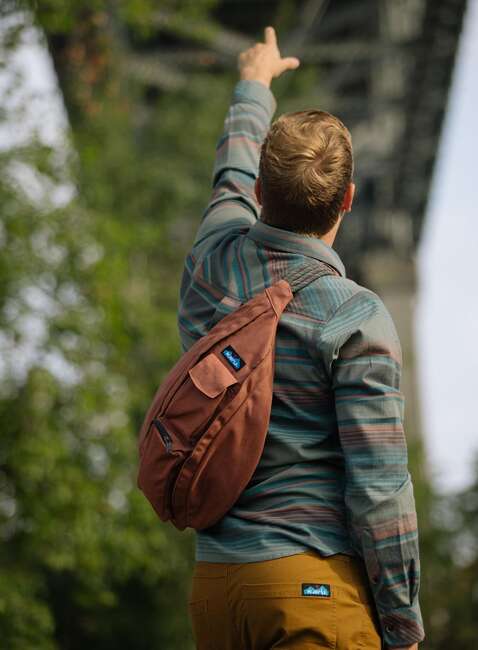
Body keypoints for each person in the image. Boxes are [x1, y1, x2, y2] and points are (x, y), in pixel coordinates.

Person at [177, 25, 424, 650]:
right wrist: (402, 622)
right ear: (347, 199)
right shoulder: (355, 316)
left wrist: (254, 83)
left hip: (216, 589)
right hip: (311, 592)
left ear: (260, 195)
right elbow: (379, 489)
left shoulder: (211, 262)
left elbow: (229, 169)